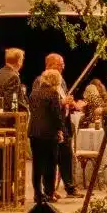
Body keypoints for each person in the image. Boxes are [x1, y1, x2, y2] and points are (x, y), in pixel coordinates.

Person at [27, 59, 71, 203]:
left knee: (37, 165)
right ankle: (50, 193)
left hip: (34, 133)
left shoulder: (33, 93)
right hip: (49, 134)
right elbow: (56, 116)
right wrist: (62, 131)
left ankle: (37, 194)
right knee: (50, 164)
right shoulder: (53, 94)